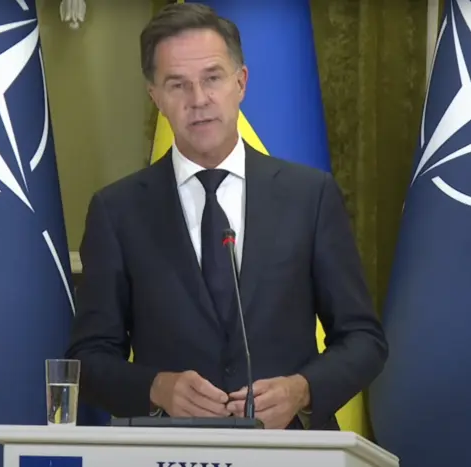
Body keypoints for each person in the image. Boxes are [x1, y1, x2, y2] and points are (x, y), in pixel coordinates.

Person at [65, 3, 388, 430]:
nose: (198, 100)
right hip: (165, 449)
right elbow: (87, 358)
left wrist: (302, 390)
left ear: (241, 83)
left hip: (289, 450)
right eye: (177, 84)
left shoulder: (309, 196)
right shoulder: (117, 211)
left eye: (212, 78)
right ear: (155, 96)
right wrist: (156, 388)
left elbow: (363, 339)